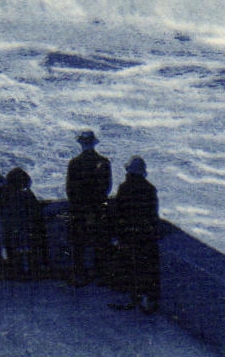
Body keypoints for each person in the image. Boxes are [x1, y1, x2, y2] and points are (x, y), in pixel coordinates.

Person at [109, 156, 161, 313]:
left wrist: (116, 235)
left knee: (128, 268)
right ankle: (145, 301)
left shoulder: (124, 188)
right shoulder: (150, 189)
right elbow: (153, 214)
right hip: (145, 237)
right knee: (145, 269)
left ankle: (131, 299)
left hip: (128, 236)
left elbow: (118, 214)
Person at [65, 130, 112, 287]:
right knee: (100, 241)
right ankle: (101, 274)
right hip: (98, 208)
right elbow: (107, 188)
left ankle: (80, 275)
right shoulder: (104, 162)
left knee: (79, 244)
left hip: (79, 209)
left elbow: (70, 190)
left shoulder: (74, 163)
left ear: (81, 144)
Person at [0, 167, 46, 279]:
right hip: (25, 227)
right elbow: (35, 210)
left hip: (10, 227)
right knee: (26, 248)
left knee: (12, 248)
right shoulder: (26, 194)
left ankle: (15, 271)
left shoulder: (4, 193)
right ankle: (28, 270)